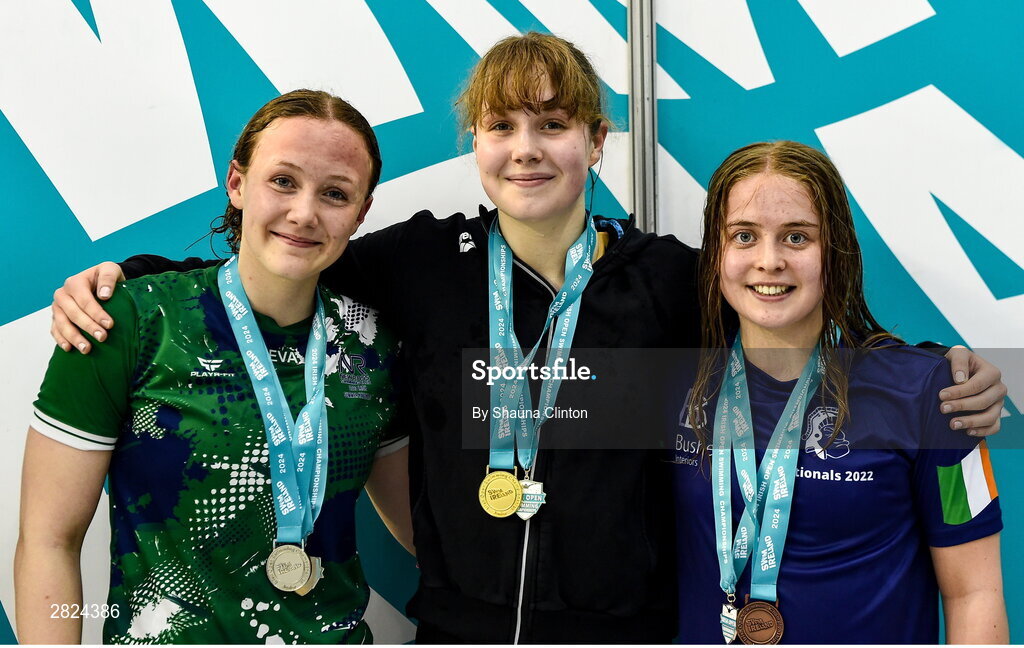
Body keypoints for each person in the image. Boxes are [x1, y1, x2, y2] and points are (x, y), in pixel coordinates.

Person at [47, 35, 1007, 643]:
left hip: (625, 632)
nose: (526, 148)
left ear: (595, 139)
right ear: (475, 143)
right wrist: (127, 278)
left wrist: (945, 373)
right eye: (501, 125)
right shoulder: (416, 264)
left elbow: (787, 313)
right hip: (459, 631)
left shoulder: (668, 279)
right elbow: (287, 249)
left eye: (553, 123)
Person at [16, 90, 412, 644]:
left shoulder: (374, 346)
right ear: (237, 184)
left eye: (335, 193)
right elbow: (48, 541)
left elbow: (425, 533)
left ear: (361, 212)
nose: (304, 212)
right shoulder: (129, 321)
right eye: (283, 181)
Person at [671, 141, 1007, 644]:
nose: (770, 260)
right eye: (744, 236)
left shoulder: (934, 398)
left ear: (837, 251)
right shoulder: (677, 386)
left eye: (797, 238)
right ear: (716, 253)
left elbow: (975, 593)